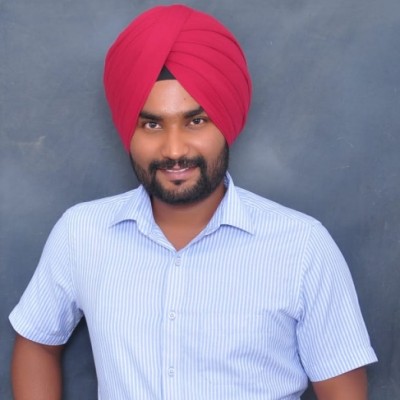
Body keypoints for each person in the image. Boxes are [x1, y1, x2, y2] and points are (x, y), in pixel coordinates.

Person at [9, 4, 377, 400]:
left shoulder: (302, 245)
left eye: (196, 121)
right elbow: (37, 343)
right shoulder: (81, 233)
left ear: (226, 123)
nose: (174, 149)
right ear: (129, 131)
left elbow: (342, 390)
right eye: (152, 124)